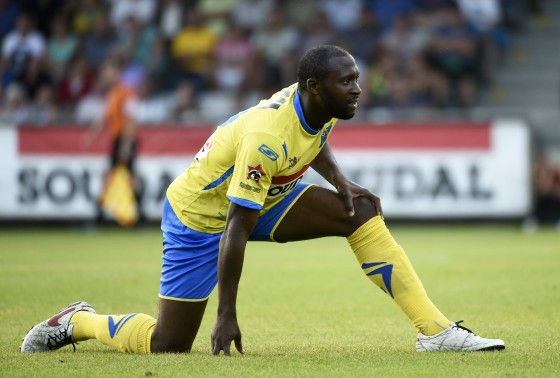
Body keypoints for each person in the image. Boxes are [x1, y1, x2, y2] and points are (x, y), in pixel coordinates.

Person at [21, 45, 505, 355]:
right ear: (315, 87)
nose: (358, 89)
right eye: (348, 82)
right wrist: (226, 314)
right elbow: (236, 227)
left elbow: (314, 138)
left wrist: (340, 180)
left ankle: (436, 331)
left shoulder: (324, 105)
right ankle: (78, 321)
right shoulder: (266, 139)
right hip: (200, 216)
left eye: (357, 78)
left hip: (265, 195)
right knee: (167, 345)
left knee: (357, 212)